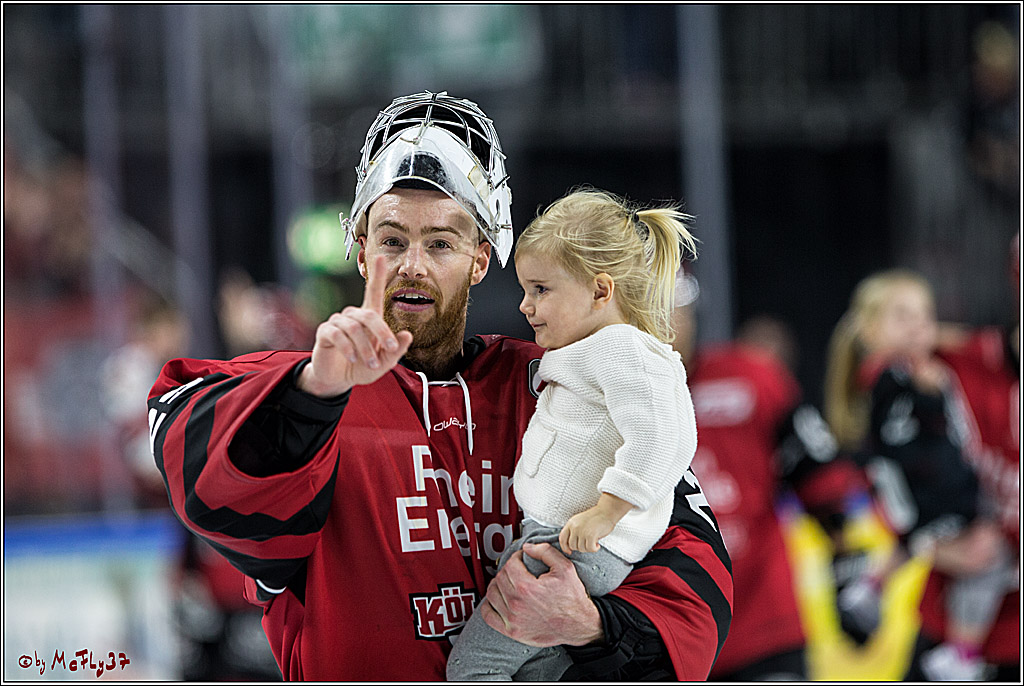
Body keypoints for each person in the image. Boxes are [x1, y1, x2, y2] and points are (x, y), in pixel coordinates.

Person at [148, 91, 733, 681]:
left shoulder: (561, 383)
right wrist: (313, 394)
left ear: (481, 260)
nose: (413, 265)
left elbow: (699, 578)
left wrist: (593, 625)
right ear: (360, 249)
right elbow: (198, 470)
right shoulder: (302, 392)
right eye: (393, 240)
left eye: (441, 243)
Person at [446, 189, 700, 680]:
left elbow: (665, 439)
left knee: (473, 668)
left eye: (541, 289)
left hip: (574, 545)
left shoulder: (623, 348)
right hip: (558, 539)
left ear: (601, 291)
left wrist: (607, 512)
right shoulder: (599, 349)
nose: (525, 305)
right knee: (538, 667)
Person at [823, 268, 1015, 681]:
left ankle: (876, 587)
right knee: (985, 561)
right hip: (946, 587)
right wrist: (931, 543)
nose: (919, 328)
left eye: (925, 317)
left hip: (971, 562)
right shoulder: (900, 378)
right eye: (903, 317)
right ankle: (949, 646)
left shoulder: (949, 363)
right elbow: (889, 481)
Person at [682, 310, 868, 680]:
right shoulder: (604, 392)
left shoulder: (752, 377)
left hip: (762, 627)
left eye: (676, 307)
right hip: (665, 635)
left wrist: (850, 576)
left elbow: (821, 476)